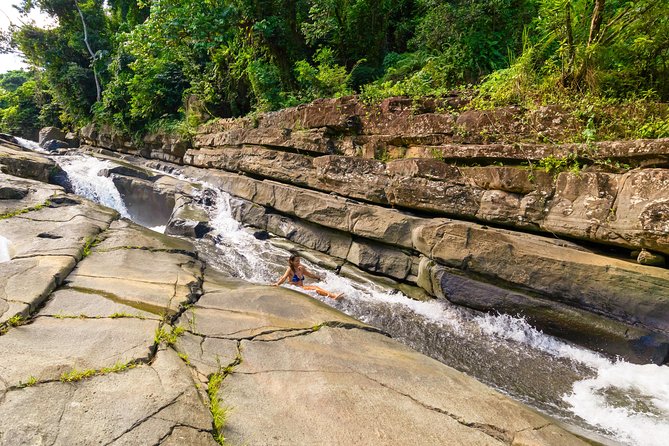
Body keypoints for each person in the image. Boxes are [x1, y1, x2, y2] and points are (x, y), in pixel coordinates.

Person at [274, 254, 343, 300]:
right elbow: (284, 278)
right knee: (316, 289)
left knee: (316, 287)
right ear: (291, 261)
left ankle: (332, 295)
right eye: (296, 261)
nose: (298, 262)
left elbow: (310, 275)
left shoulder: (301, 268)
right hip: (295, 289)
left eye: (299, 260)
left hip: (301, 288)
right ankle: (333, 296)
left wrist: (318, 278)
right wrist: (277, 284)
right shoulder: (290, 269)